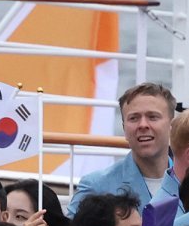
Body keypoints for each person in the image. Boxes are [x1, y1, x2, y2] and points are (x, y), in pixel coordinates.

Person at [67, 83, 176, 213]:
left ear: (172, 125)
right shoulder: (96, 187)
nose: (143, 125)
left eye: (152, 117)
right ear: (124, 128)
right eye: (134, 118)